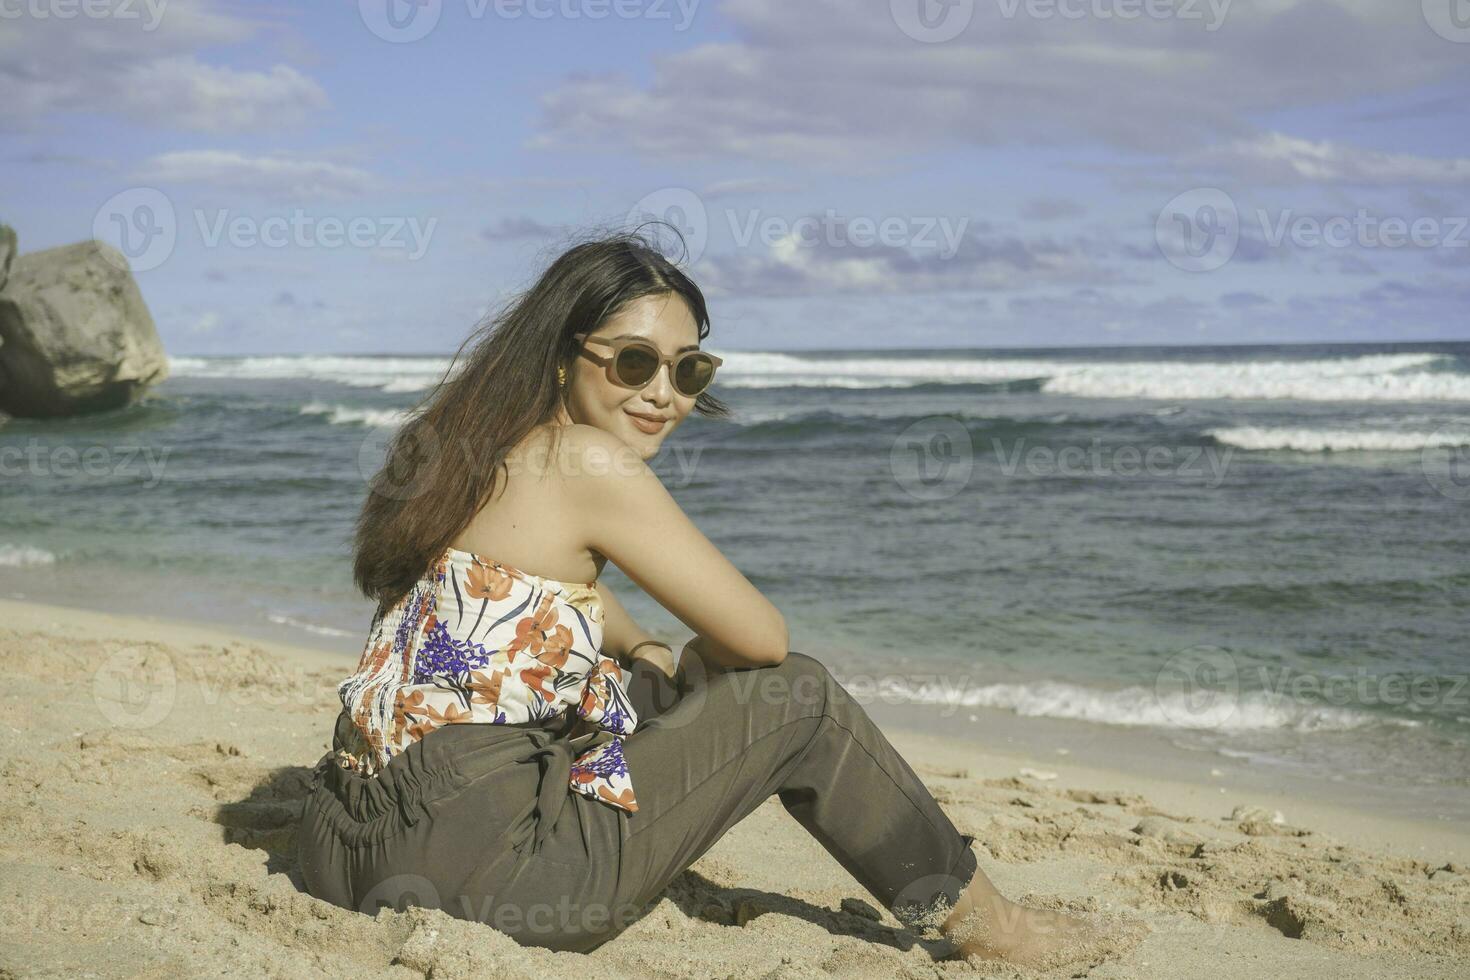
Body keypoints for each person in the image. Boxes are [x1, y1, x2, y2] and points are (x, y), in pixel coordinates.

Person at [295, 225, 1109, 966]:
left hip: (347, 841)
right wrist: (696, 658)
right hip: (488, 873)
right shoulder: (589, 463)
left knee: (636, 686)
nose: (665, 394)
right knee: (800, 699)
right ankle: (998, 931)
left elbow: (532, 584)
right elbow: (760, 640)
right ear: (561, 353)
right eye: (635, 362)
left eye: (689, 369)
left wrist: (643, 647)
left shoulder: (465, 449)